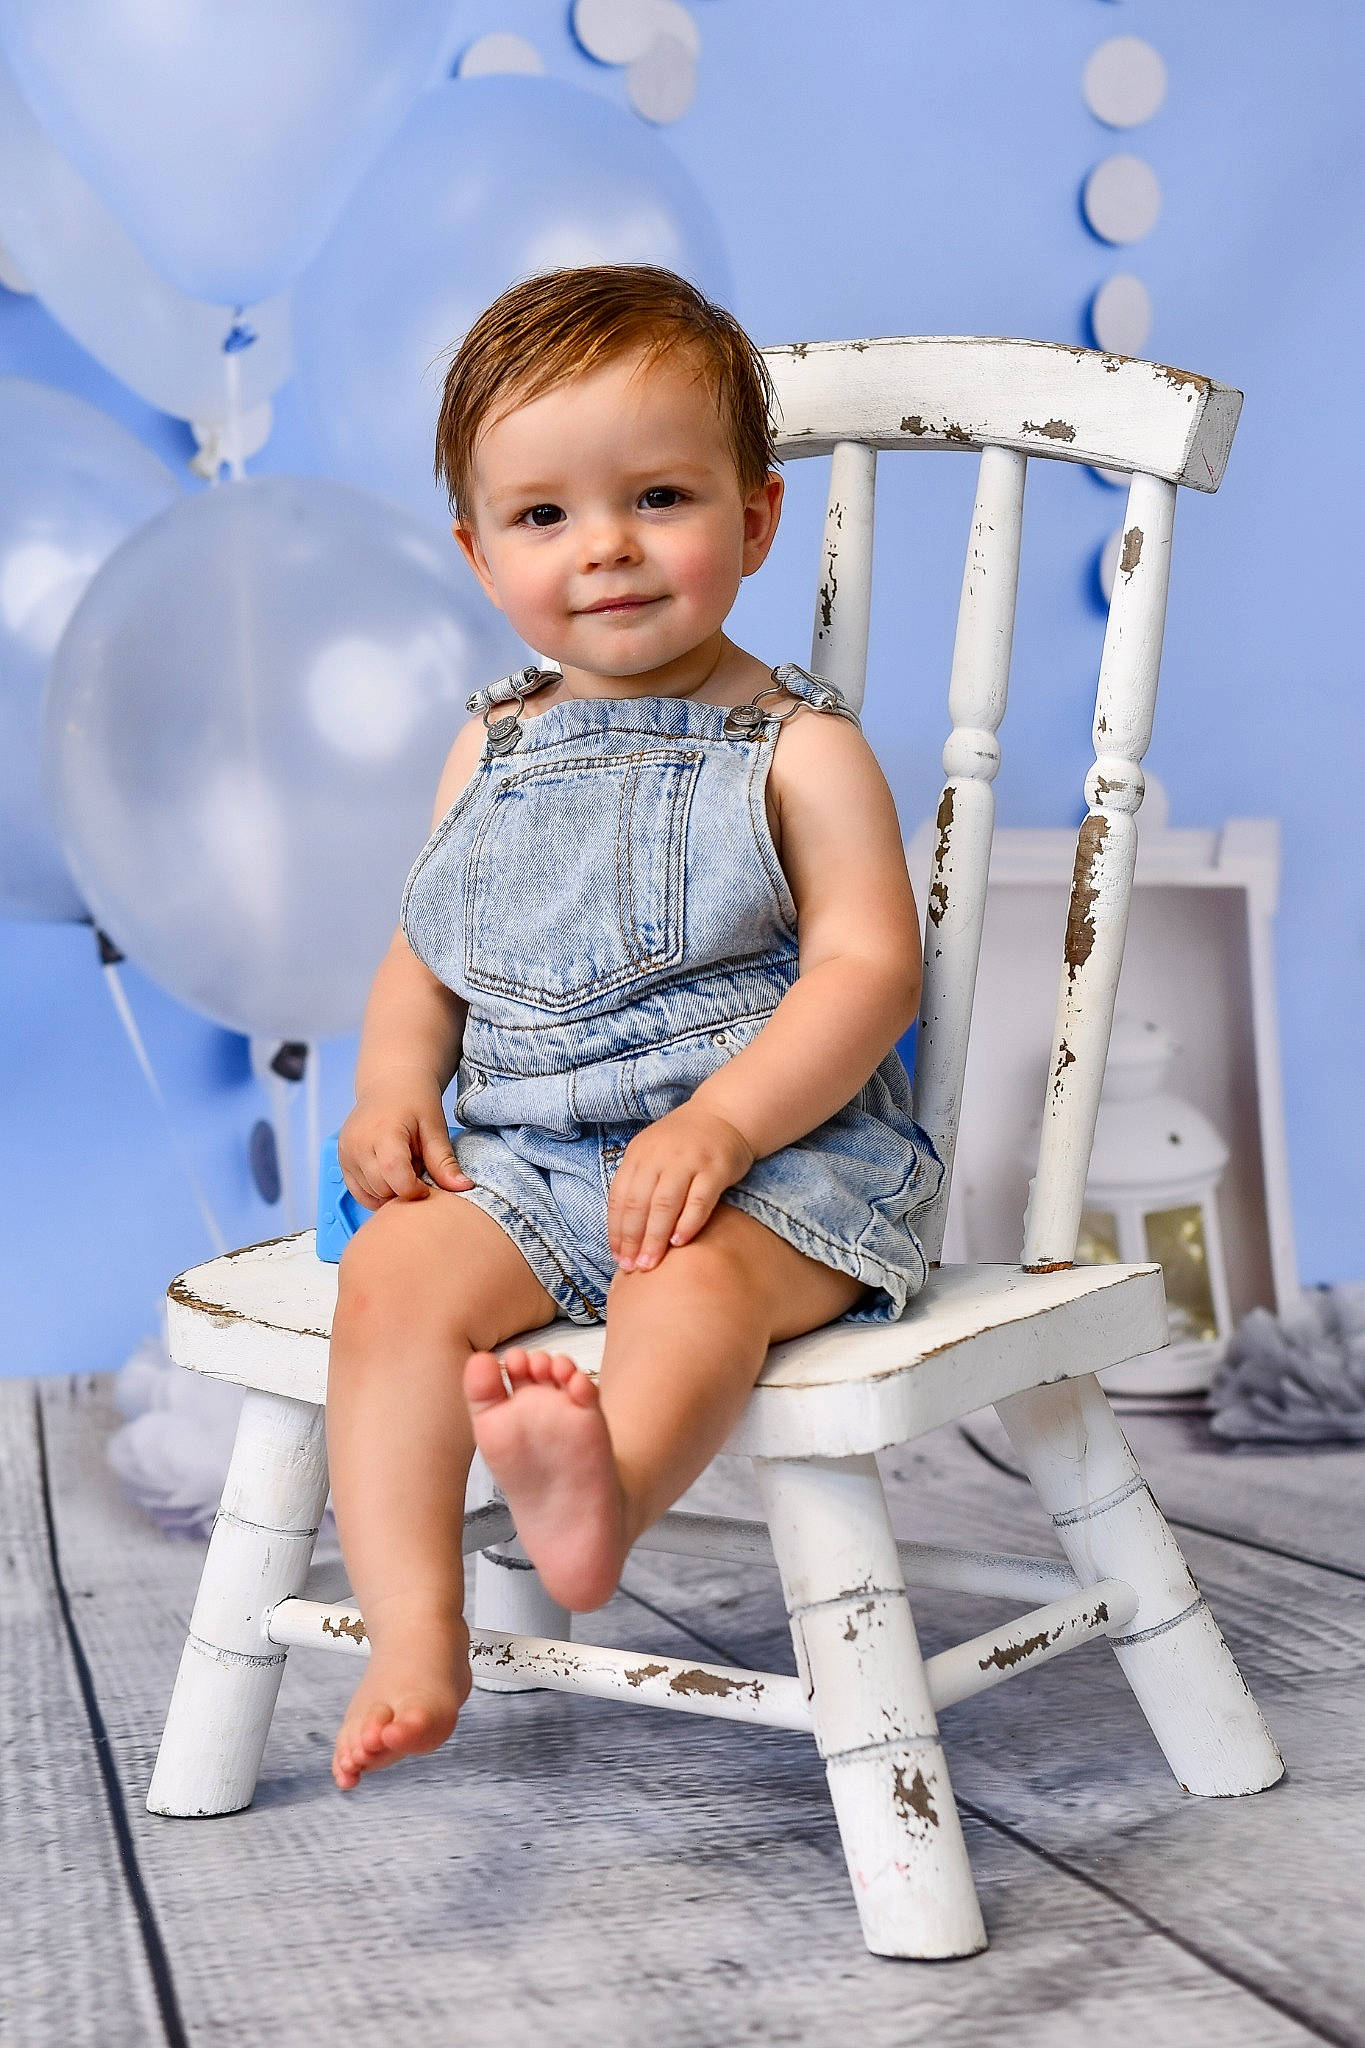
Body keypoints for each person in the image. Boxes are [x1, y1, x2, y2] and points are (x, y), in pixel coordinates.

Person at [328, 263, 942, 1791]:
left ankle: (601, 1486)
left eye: (657, 496)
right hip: (530, 1158)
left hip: (773, 1160)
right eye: (543, 517)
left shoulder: (798, 747)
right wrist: (393, 1077)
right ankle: (416, 1628)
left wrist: (723, 1122)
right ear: (479, 554)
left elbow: (869, 971)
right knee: (395, 1275)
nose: (602, 547)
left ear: (752, 521)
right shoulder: (492, 741)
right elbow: (432, 942)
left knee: (694, 1292)